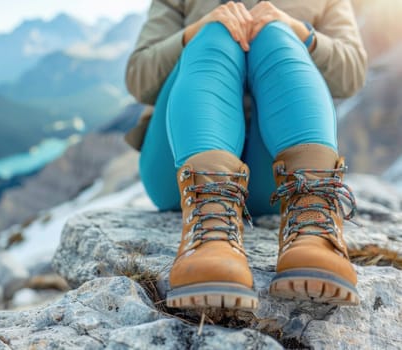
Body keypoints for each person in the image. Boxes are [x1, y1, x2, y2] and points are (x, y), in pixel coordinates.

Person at [125, 0, 367, 310]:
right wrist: (197, 32)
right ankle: (209, 230)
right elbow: (138, 77)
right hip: (178, 171)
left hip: (278, 180)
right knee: (217, 30)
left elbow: (352, 75)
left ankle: (313, 224)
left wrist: (297, 31)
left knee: (276, 32)